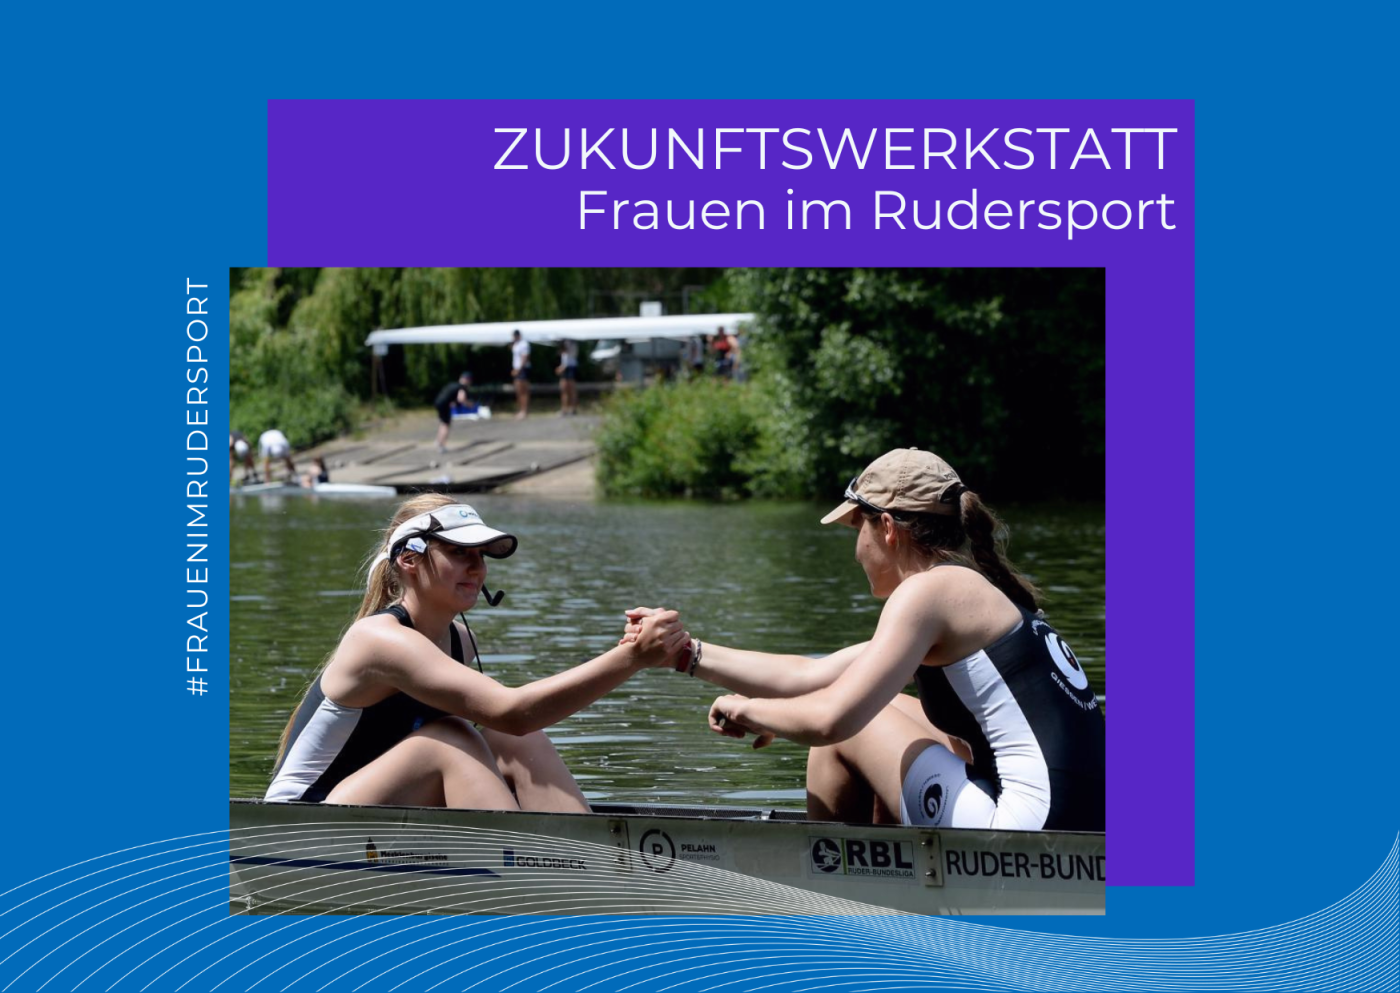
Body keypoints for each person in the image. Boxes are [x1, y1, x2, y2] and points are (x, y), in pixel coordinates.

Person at [626, 448, 1105, 832]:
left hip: (1030, 832)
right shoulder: (968, 591)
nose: (856, 550)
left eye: (857, 528)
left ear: (888, 528)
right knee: (882, 704)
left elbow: (831, 720)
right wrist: (685, 652)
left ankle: (835, 898)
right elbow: (809, 675)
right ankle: (894, 873)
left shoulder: (925, 592)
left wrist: (750, 711)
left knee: (846, 731)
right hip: (1085, 823)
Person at [266, 494, 689, 809]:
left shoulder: (461, 642)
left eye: (481, 555)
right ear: (410, 559)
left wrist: (628, 649)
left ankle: (586, 863)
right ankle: (527, 877)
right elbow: (513, 711)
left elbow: (516, 726)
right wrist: (631, 658)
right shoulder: (378, 639)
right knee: (453, 737)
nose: (477, 567)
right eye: (458, 552)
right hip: (299, 824)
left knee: (513, 741)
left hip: (372, 816)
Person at [434, 372, 472, 453]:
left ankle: (438, 441)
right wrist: (469, 404)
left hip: (438, 402)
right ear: (468, 380)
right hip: (444, 404)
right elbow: (461, 399)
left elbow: (449, 396)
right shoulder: (462, 387)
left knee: (443, 423)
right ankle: (441, 446)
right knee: (446, 425)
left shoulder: (453, 385)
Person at [510, 330, 531, 419]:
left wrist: (519, 370)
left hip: (522, 369)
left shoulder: (524, 344)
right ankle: (520, 410)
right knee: (518, 391)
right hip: (517, 369)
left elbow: (524, 358)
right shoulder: (516, 344)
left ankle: (524, 411)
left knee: (523, 391)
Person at [555, 339, 579, 416]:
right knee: (564, 389)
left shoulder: (573, 343)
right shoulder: (563, 341)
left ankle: (573, 409)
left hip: (570, 367)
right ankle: (564, 409)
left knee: (571, 390)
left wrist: (562, 367)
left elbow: (571, 356)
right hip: (565, 367)